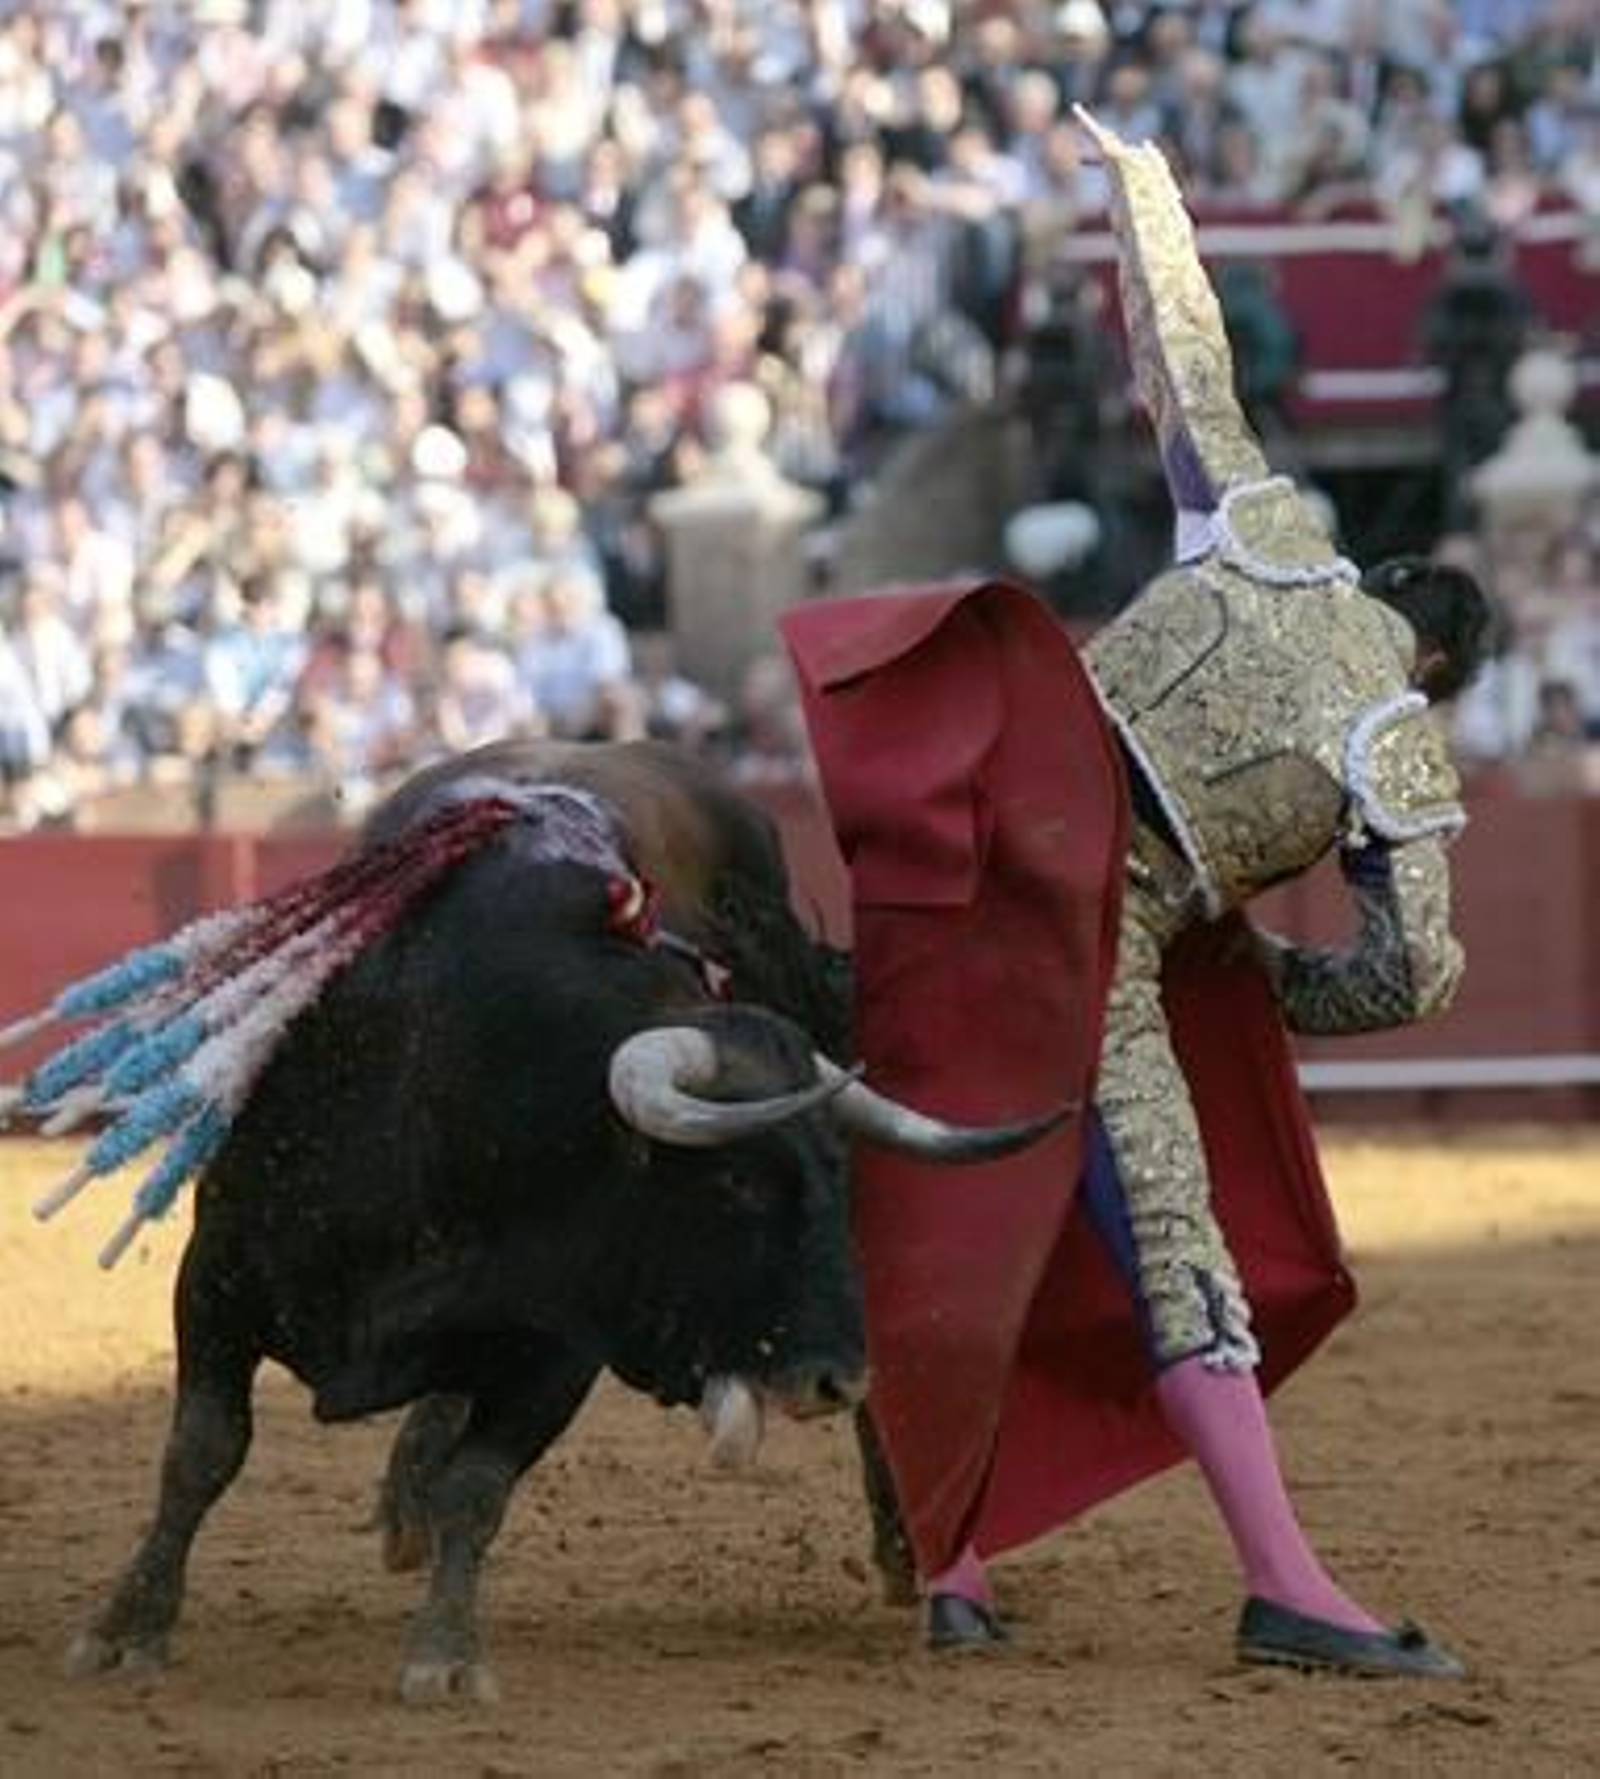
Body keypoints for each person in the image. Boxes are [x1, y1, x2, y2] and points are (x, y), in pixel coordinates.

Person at [786, 109, 1492, 1681]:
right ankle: (1287, 1585)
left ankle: (952, 1563)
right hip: (1099, 950)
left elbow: (1181, 358)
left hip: (965, 844)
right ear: (1438, 673)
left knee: (943, 1194)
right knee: (1172, 1252)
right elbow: (1415, 975)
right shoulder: (1398, 745)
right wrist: (1254, 976)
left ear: (1376, 584)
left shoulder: (1265, 537)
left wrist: (1144, 186)